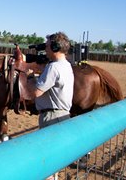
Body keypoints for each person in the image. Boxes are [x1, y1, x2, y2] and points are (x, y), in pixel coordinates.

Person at [34, 32, 74, 180]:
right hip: (62, 115)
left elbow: (37, 92)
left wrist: (30, 76)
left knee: (47, 163)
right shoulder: (66, 65)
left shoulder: (53, 67)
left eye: (48, 45)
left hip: (51, 117)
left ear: (55, 47)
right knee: (54, 159)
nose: (46, 48)